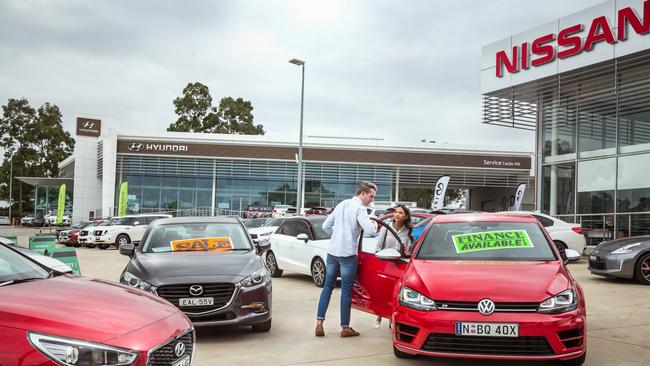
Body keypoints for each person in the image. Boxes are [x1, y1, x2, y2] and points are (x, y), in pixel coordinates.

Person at [315, 181, 378, 338]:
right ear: (362, 193)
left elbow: (325, 226)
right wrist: (374, 221)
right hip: (348, 254)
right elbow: (370, 230)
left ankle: (319, 323)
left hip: (333, 252)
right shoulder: (361, 209)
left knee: (327, 287)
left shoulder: (343, 204)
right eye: (371, 196)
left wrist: (337, 236)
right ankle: (345, 327)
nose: (372, 199)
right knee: (346, 290)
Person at [373, 203, 413, 328]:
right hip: (386, 263)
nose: (397, 214)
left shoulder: (408, 230)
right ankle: (379, 315)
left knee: (394, 293)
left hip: (399, 264)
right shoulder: (386, 227)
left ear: (406, 216)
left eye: (400, 213)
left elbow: (406, 248)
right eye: (396, 212)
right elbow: (378, 247)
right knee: (383, 291)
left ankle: (391, 318)